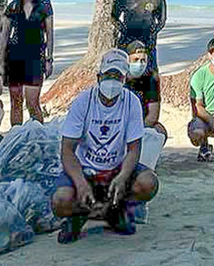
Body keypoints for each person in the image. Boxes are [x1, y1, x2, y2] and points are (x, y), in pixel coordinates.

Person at [53, 50, 158, 242]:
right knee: (61, 201)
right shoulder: (82, 102)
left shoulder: (131, 102)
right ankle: (79, 216)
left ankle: (116, 211)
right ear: (98, 77)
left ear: (124, 79)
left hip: (116, 168)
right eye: (108, 75)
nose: (112, 81)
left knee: (148, 183)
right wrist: (80, 182)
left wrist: (123, 176)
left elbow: (134, 148)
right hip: (86, 169)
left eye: (117, 76)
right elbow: (67, 149)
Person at [3, 0, 54, 125]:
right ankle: (16, 137)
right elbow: (4, 35)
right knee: (16, 103)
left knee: (32, 104)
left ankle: (38, 136)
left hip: (35, 58)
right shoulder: (13, 5)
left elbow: (50, 33)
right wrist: (0, 61)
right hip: (14, 58)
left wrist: (49, 59)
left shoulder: (45, 4)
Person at [124, 40, 166, 134]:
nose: (140, 64)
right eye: (136, 60)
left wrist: (137, 132)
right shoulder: (119, 78)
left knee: (159, 131)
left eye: (143, 60)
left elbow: (153, 115)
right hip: (119, 124)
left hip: (142, 124)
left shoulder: (150, 79)